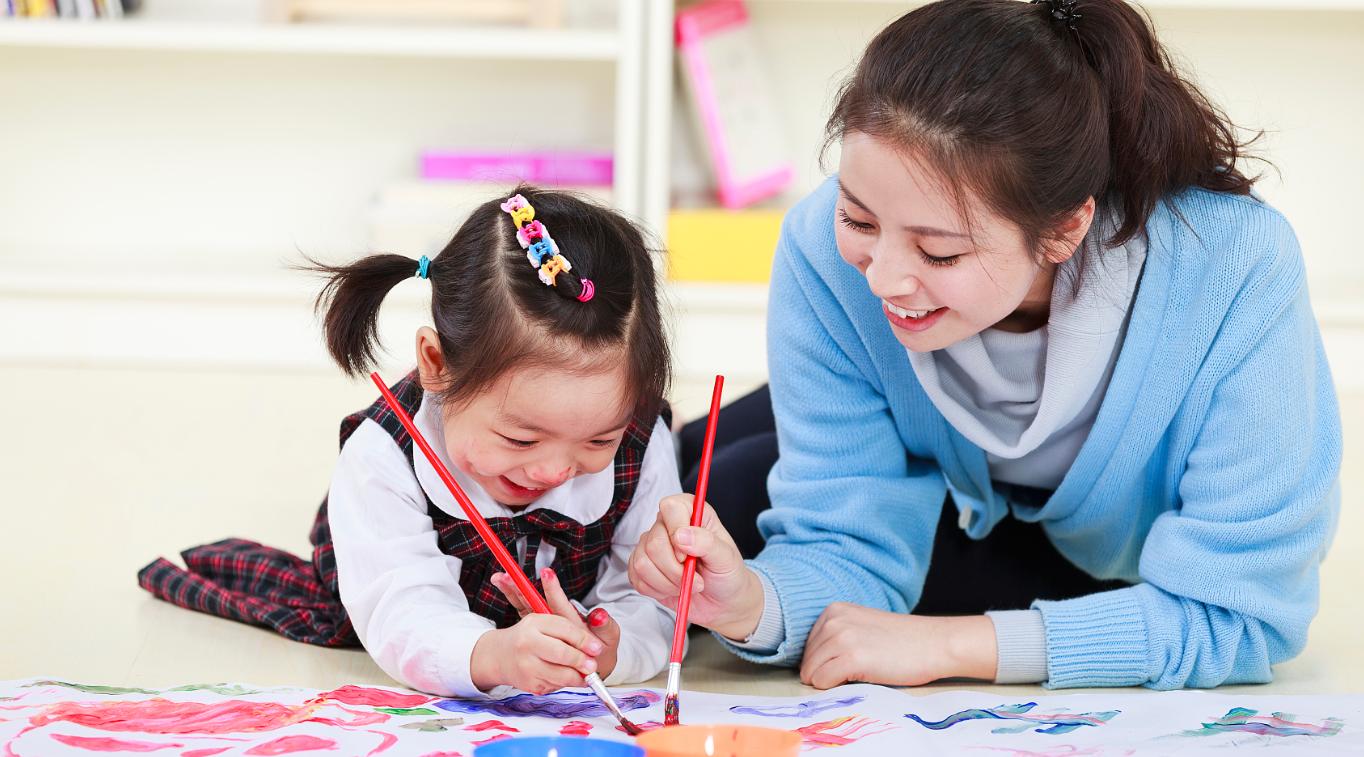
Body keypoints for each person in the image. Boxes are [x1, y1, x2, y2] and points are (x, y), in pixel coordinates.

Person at [644, 0, 1341, 691]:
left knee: (731, 483)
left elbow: (1241, 614)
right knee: (671, 485)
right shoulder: (828, 258)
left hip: (1081, 556)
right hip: (934, 466)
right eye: (857, 217)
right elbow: (841, 536)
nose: (882, 277)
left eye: (939, 252)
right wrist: (747, 607)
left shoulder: (1235, 269)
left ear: (1065, 230)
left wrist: (951, 645)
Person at [141, 187, 680, 697]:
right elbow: (402, 610)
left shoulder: (640, 436)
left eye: (598, 439)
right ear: (436, 365)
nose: (554, 470)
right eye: (520, 439)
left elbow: (650, 598)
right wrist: (491, 655)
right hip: (408, 611)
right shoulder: (384, 455)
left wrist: (612, 649)